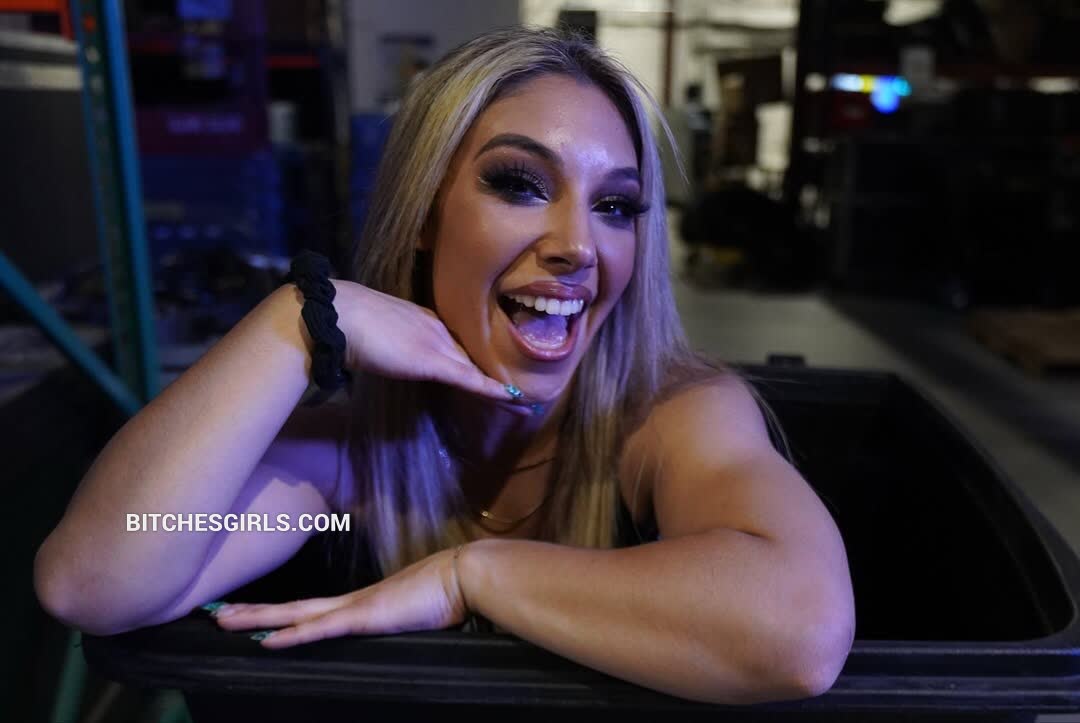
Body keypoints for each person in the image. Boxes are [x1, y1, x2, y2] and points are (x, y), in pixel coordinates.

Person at [33, 26, 854, 706]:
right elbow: (96, 580)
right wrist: (299, 320)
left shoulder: (672, 415)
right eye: (521, 184)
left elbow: (800, 631)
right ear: (424, 213)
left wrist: (470, 575)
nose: (578, 245)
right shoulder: (355, 461)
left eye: (615, 205)